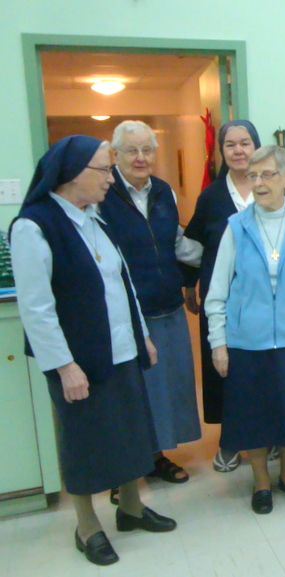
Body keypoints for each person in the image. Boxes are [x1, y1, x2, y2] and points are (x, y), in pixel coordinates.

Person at [10, 135, 177, 566]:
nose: (110, 178)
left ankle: (131, 509)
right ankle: (86, 526)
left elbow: (123, 284)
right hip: (79, 359)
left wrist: (142, 335)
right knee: (83, 442)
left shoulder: (95, 219)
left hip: (121, 349)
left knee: (130, 432)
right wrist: (64, 366)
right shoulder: (34, 226)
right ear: (71, 174)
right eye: (103, 169)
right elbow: (36, 309)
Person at [205, 145, 285, 513]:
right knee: (253, 417)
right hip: (247, 342)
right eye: (253, 176)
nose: (258, 183)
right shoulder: (237, 226)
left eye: (267, 174)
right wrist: (219, 343)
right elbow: (217, 291)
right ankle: (261, 481)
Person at [99, 121, 202, 490]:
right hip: (126, 312)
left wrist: (221, 256)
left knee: (164, 388)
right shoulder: (103, 193)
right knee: (129, 391)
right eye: (132, 150)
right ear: (115, 155)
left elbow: (177, 243)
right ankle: (124, 472)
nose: (140, 158)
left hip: (167, 305)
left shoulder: (163, 191)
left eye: (147, 150)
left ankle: (156, 457)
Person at [183, 120, 261, 473]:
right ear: (222, 152)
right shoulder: (211, 197)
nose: (239, 150)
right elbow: (193, 244)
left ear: (256, 147)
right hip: (221, 300)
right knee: (225, 369)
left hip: (264, 301)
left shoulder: (271, 188)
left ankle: (266, 437)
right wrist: (189, 284)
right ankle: (229, 441)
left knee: (261, 370)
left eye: (245, 143)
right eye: (231, 144)